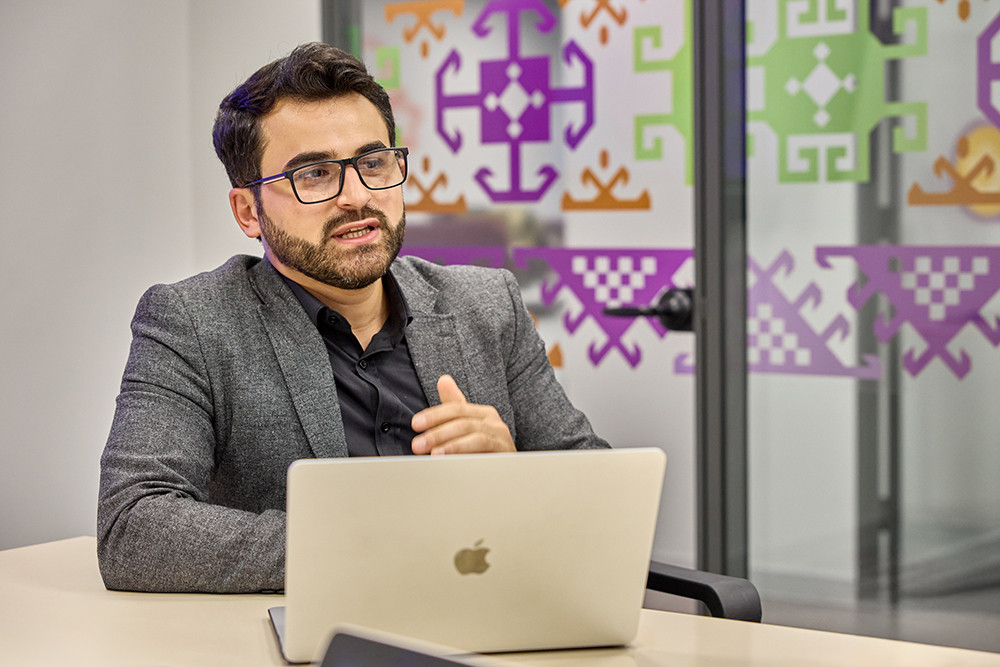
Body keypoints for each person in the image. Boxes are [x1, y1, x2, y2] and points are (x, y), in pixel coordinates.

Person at [97, 42, 609, 594]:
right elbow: (133, 526)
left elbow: (601, 490)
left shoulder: (487, 303)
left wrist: (516, 475)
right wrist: (373, 547)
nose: (356, 196)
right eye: (315, 174)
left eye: (373, 163)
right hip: (315, 629)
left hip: (490, 612)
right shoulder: (193, 322)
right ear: (249, 212)